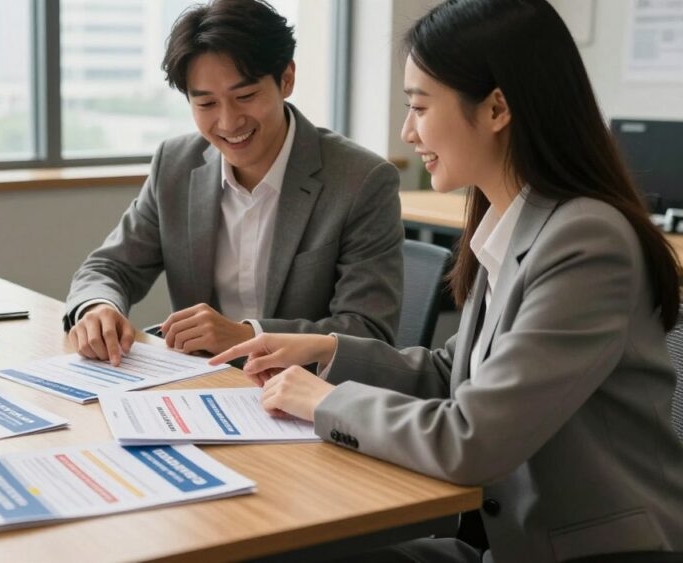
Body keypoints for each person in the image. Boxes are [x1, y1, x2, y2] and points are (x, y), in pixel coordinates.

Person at [210, 0, 683, 560]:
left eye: (419, 106)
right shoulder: (516, 221)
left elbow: (473, 438)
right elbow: (452, 372)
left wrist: (325, 401)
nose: (408, 131)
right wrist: (329, 351)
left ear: (496, 108)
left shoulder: (586, 243)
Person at [64, 0, 404, 366]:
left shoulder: (361, 180)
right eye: (206, 104)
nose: (228, 122)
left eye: (245, 97)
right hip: (199, 384)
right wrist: (98, 307)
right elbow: (110, 267)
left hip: (304, 394)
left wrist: (248, 336)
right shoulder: (176, 165)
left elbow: (367, 331)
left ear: (286, 79)